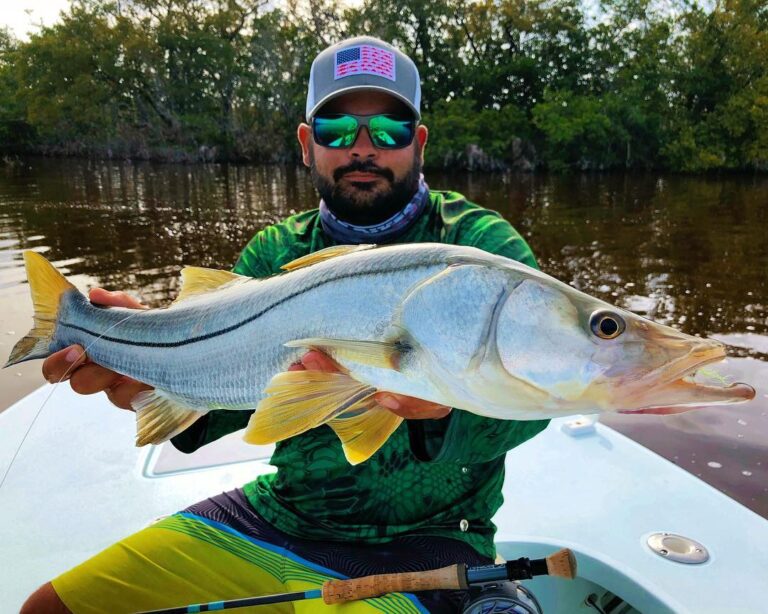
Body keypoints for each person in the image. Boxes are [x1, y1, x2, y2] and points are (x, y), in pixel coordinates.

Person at [23, 36, 549, 614]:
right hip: (279, 516)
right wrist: (145, 368)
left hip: (435, 538)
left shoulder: (477, 246)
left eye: (390, 129)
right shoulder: (276, 252)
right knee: (49, 608)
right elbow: (227, 401)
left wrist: (445, 411)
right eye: (337, 131)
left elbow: (534, 402)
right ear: (307, 144)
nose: (364, 148)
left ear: (419, 143)